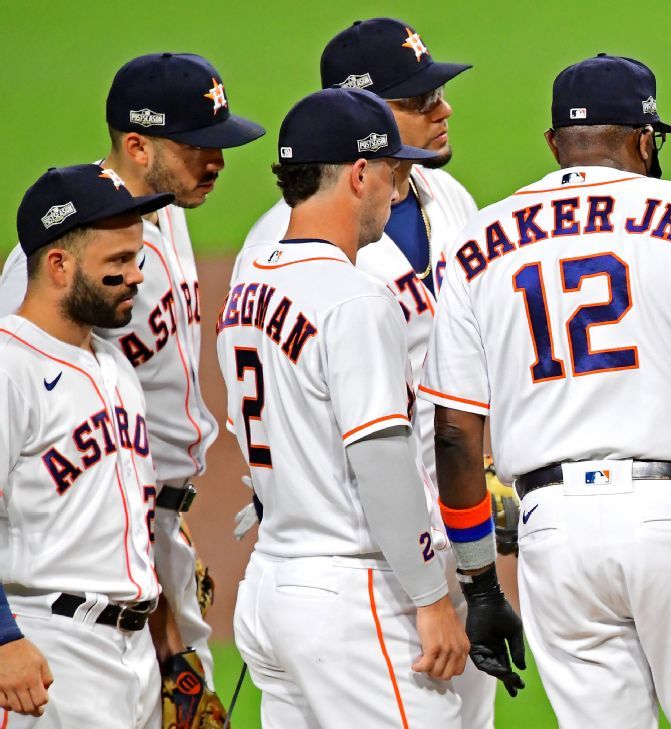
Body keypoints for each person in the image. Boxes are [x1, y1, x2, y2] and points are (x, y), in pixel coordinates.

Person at [426, 53, 671, 729]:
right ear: (644, 140)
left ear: (555, 145)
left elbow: (455, 436)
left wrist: (482, 583)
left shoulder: (477, 240)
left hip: (555, 536)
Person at [233, 19, 499, 722]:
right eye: (419, 100)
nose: (442, 111)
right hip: (368, 566)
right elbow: (376, 450)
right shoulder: (332, 273)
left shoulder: (449, 203)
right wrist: (431, 595)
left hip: (330, 564)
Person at [0, 52, 265, 683]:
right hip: (78, 555)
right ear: (138, 145)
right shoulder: (56, 260)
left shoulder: (165, 214)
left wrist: (165, 545)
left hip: (149, 531)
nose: (218, 161)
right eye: (198, 144)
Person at [0, 163, 174, 727]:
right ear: (59, 264)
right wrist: (3, 641)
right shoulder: (10, 368)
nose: (137, 277)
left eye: (137, 259)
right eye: (118, 263)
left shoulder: (115, 365)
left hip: (132, 655)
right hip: (46, 651)